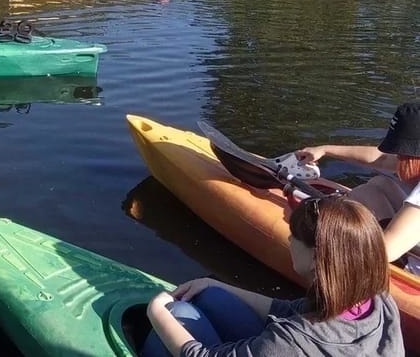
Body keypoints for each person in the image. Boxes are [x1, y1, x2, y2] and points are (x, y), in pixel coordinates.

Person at [142, 196, 403, 357]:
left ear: (316, 257)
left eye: (295, 236)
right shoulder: (380, 302)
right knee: (212, 297)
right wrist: (213, 283)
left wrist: (156, 311)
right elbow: (286, 309)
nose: (289, 239)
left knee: (175, 316)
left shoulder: (293, 342)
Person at [296, 101, 420, 274]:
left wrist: (325, 246)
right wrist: (324, 150)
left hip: (411, 271)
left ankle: (401, 259)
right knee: (377, 186)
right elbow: (382, 159)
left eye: (401, 153)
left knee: (361, 199)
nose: (397, 157)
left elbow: (387, 250)